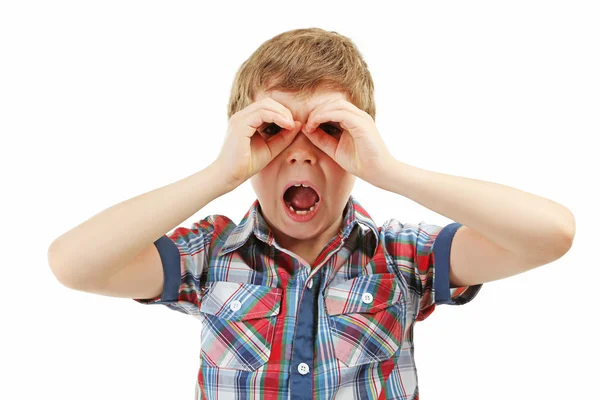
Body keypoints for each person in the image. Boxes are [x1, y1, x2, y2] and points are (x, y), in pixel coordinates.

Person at [47, 27, 576, 399]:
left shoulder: (400, 256)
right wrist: (218, 175)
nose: (299, 153)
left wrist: (389, 171)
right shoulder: (208, 257)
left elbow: (550, 234)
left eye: (328, 132)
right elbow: (73, 264)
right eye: (272, 132)